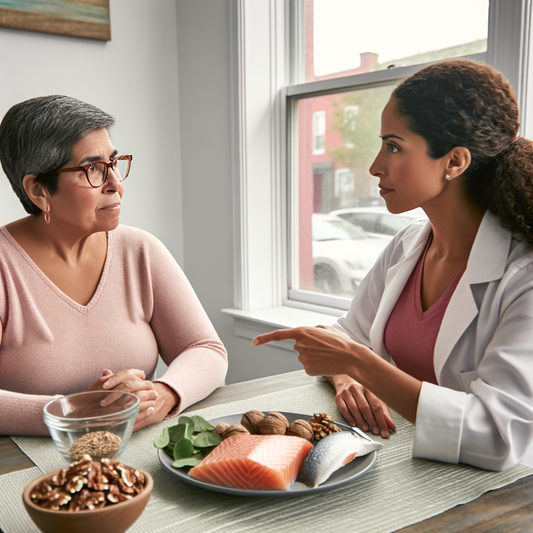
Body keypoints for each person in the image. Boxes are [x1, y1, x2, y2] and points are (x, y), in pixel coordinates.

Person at [254, 59, 533, 471]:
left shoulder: (521, 277)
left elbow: (497, 435)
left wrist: (358, 364)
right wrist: (348, 377)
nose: (374, 166)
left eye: (394, 146)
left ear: (454, 162)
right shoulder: (409, 244)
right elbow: (350, 334)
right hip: (404, 466)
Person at [0, 95, 228, 436]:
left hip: (137, 457)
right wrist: (71, 412)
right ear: (38, 190)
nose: (115, 183)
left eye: (114, 162)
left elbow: (206, 350)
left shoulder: (140, 250)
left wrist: (164, 394)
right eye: (91, 168)